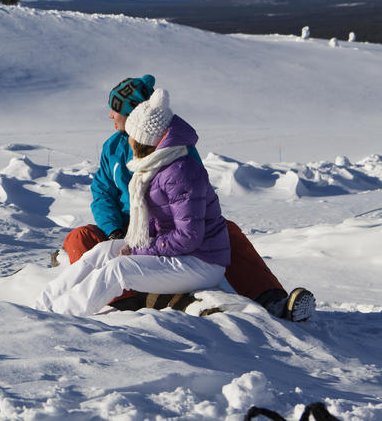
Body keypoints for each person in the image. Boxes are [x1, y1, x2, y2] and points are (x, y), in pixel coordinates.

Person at [60, 75, 315, 321]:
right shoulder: (113, 148)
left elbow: (190, 204)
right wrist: (115, 231)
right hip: (126, 231)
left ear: (136, 114)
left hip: (163, 233)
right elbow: (102, 193)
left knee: (227, 232)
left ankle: (272, 300)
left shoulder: (176, 150)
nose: (110, 115)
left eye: (115, 110)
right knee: (80, 237)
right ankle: (122, 300)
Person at [37, 88, 229, 315]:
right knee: (103, 251)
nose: (126, 140)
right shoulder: (153, 166)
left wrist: (141, 249)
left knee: (118, 269)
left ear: (143, 139)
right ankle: (41, 307)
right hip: (177, 252)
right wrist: (135, 245)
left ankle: (62, 315)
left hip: (200, 262)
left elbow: (189, 237)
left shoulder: (180, 171)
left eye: (131, 135)